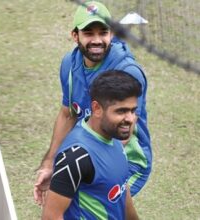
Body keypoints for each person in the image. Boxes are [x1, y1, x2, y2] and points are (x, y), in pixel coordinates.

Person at [34, 1, 151, 203]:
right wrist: (50, 163)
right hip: (87, 152)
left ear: (111, 34)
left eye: (102, 32)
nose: (97, 40)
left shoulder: (127, 72)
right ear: (75, 35)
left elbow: (121, 133)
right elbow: (67, 115)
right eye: (88, 33)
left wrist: (74, 171)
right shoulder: (69, 64)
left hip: (127, 159)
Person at [41, 70, 140, 220]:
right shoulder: (76, 156)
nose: (130, 119)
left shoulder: (113, 136)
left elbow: (122, 191)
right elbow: (51, 217)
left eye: (133, 111)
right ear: (97, 109)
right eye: (121, 111)